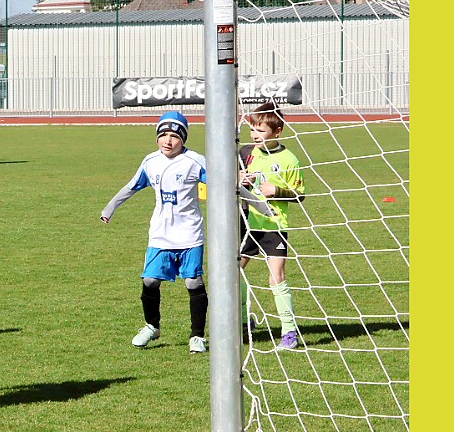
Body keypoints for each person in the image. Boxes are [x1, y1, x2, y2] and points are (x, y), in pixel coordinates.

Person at [99, 112, 274, 354]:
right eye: (163, 135)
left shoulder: (195, 161)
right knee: (150, 280)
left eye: (174, 136)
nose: (168, 141)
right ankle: (152, 326)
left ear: (183, 139)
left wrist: (260, 206)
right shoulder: (150, 162)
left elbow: (227, 184)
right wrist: (109, 208)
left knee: (193, 282)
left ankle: (197, 336)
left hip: (189, 233)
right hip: (160, 234)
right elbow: (131, 187)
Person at [237, 102, 306, 349]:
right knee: (233, 273)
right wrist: (240, 179)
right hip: (248, 223)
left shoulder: (289, 159)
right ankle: (242, 322)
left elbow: (299, 194)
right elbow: (235, 181)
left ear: (277, 131)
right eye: (253, 130)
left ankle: (289, 332)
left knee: (276, 277)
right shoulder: (247, 153)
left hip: (274, 225)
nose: (255, 135)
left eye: (261, 131)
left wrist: (276, 191)